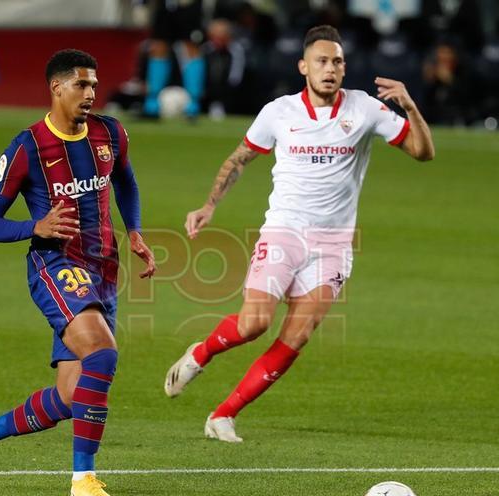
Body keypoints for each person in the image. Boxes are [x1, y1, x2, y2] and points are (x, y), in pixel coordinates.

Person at [164, 25, 434, 442]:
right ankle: (200, 354)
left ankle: (223, 415)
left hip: (333, 246)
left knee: (296, 337)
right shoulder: (279, 112)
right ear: (303, 66)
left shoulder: (364, 109)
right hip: (284, 232)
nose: (331, 69)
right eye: (323, 61)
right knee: (254, 324)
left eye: (338, 62)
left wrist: (411, 107)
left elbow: (422, 152)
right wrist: (209, 205)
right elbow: (240, 159)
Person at [0, 49, 156, 496]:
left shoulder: (110, 133)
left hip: (104, 269)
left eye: (94, 84)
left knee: (73, 395)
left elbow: (124, 180)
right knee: (103, 356)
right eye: (81, 85)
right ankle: (83, 482)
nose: (91, 93)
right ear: (56, 88)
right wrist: (36, 227)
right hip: (55, 267)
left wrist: (136, 231)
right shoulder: (27, 148)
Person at [142, 0, 206, 118]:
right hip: (166, 4)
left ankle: (193, 103)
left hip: (189, 4)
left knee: (191, 46)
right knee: (159, 46)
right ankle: (152, 103)